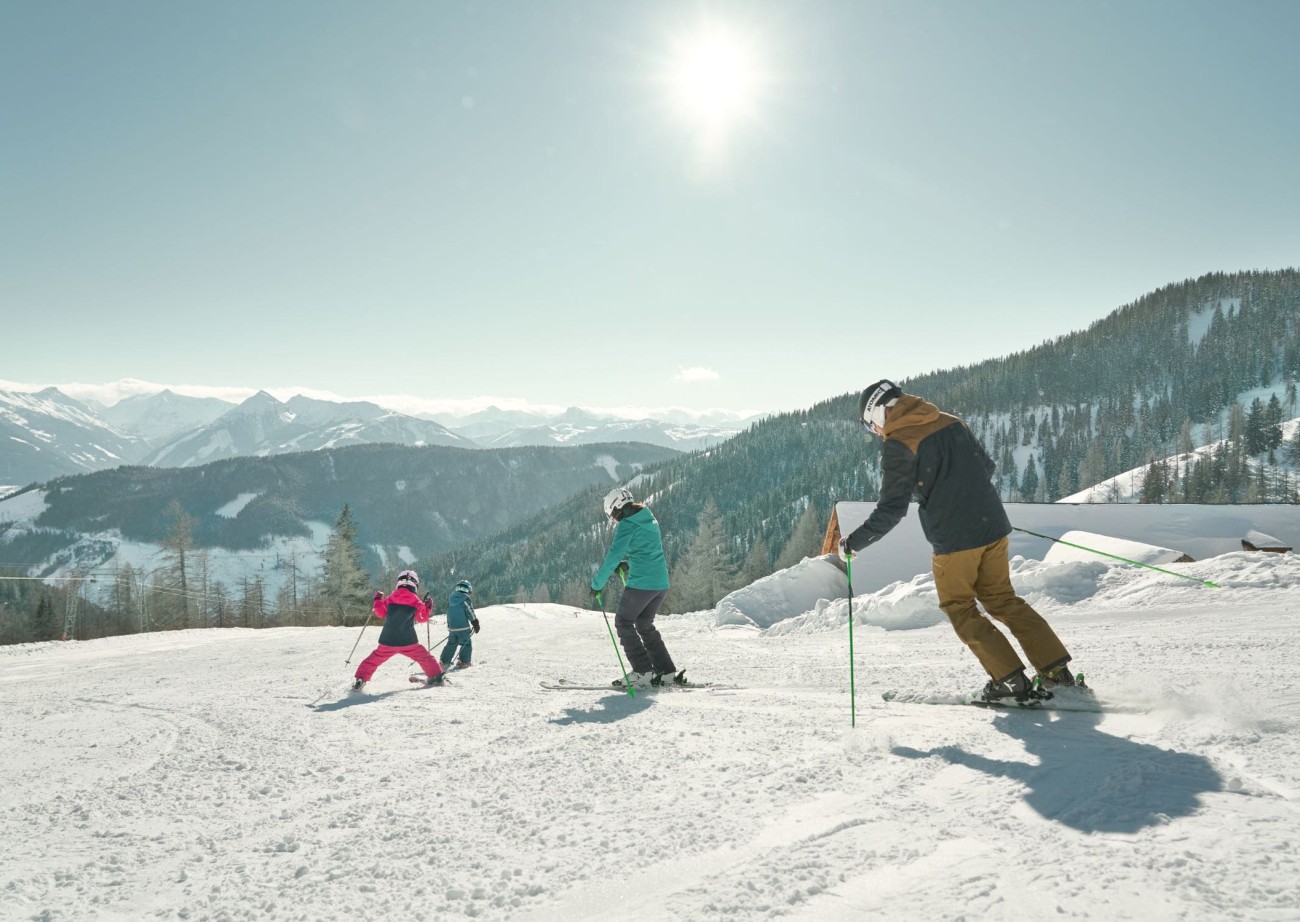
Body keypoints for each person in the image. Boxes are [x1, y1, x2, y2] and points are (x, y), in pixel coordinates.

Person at [839, 379, 1081, 702]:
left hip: (955, 540)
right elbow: (987, 467)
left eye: (872, 428)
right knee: (1003, 600)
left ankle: (1009, 680)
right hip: (992, 527)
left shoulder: (900, 442)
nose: (877, 434)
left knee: (960, 607)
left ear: (879, 414)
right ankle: (1056, 673)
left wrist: (853, 543)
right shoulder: (951, 420)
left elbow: (892, 509)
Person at [592, 487, 684, 689]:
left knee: (623, 622)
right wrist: (629, 564)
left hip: (642, 585)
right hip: (660, 584)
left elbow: (613, 556)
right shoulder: (649, 518)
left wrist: (596, 585)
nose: (615, 520)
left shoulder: (627, 525)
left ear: (616, 508)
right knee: (644, 624)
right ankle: (666, 671)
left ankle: (642, 672)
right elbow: (647, 551)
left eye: (613, 516)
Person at [352, 570, 445, 690]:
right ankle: (435, 676)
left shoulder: (391, 598)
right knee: (425, 657)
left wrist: (377, 600)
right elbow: (422, 618)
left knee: (373, 660)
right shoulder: (415, 601)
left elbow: (380, 613)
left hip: (388, 640)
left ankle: (361, 679)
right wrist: (428, 606)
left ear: (399, 583)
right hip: (408, 641)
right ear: (415, 585)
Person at [439, 579, 480, 670]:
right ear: (469, 590)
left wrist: (450, 626)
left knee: (451, 644)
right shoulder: (465, 599)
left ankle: (444, 661)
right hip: (463, 628)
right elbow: (470, 612)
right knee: (466, 644)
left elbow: (449, 613)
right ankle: (464, 662)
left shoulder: (451, 600)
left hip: (453, 629)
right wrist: (475, 623)